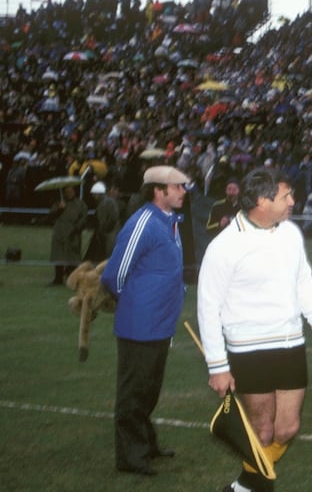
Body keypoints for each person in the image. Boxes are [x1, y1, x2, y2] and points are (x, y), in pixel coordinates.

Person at [197, 168, 312, 492]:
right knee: (262, 432)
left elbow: (303, 281)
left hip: (290, 344)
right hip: (248, 349)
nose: (293, 201)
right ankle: (253, 488)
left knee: (287, 428)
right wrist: (218, 365)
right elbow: (208, 307)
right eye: (286, 196)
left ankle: (243, 486)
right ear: (262, 201)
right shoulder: (224, 246)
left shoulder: (291, 233)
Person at [100, 165, 189, 476]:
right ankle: (130, 457)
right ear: (158, 191)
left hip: (160, 324)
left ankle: (146, 445)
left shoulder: (170, 222)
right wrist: (136, 302)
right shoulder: (143, 223)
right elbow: (114, 275)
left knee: (149, 389)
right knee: (133, 392)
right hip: (140, 325)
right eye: (177, 187)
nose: (183, 191)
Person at [48, 184, 88, 285]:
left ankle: (72, 277)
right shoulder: (59, 203)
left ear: (74, 192)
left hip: (73, 234)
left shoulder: (80, 204)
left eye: (71, 191)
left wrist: (76, 228)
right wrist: (59, 209)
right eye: (66, 192)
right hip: (59, 233)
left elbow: (84, 219)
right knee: (58, 255)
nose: (69, 193)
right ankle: (58, 278)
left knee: (73, 256)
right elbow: (50, 216)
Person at [86, 181, 120, 262]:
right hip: (107, 233)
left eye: (94, 194)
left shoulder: (106, 202)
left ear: (98, 193)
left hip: (110, 234)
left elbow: (113, 217)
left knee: (109, 256)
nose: (93, 196)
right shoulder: (104, 202)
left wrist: (103, 228)